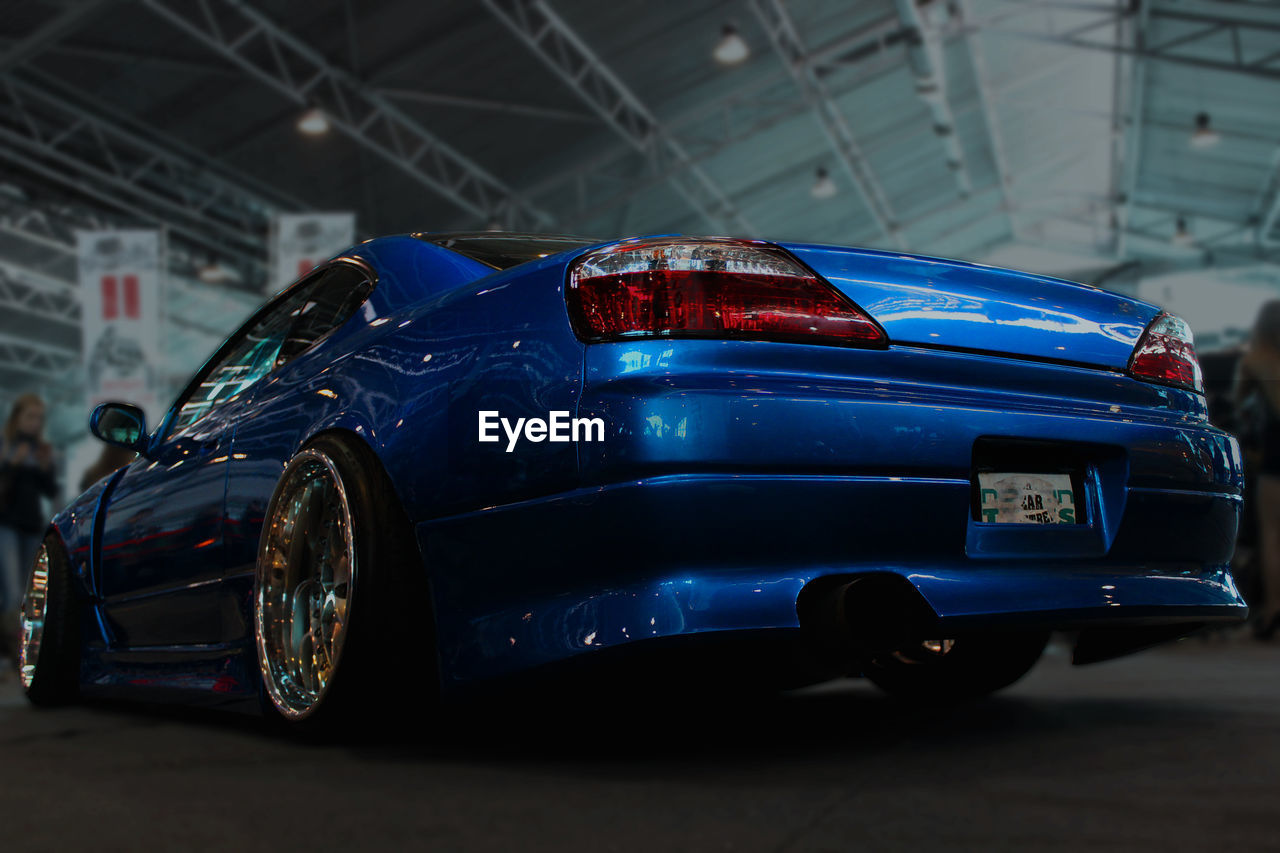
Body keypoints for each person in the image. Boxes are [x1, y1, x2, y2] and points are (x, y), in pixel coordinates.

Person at [0, 393, 57, 667]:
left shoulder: (40, 450)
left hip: (32, 524)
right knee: (11, 591)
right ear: (18, 418)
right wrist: (11, 463)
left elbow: (49, 489)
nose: (35, 423)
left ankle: (23, 652)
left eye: (39, 418)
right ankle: (11, 653)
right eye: (30, 417)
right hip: (7, 524)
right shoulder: (6, 445)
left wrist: (45, 467)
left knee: (28, 591)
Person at [1235, 301, 1280, 638]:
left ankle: (1274, 611)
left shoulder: (1256, 360)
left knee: (1272, 536)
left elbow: (1238, 405)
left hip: (1276, 455)